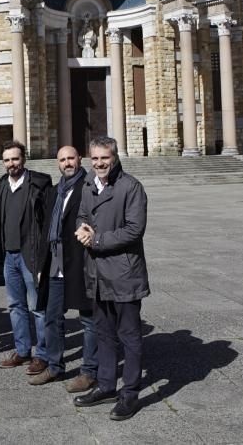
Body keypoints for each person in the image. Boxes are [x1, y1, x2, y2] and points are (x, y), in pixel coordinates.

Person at [74, 136, 150, 422]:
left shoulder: (131, 187)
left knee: (129, 337)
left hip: (124, 275)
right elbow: (82, 214)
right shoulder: (87, 185)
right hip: (96, 274)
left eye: (104, 158)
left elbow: (134, 230)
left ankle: (129, 394)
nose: (99, 163)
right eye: (94, 158)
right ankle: (106, 385)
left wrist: (97, 240)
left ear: (115, 157)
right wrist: (81, 228)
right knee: (103, 333)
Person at [30, 146, 98, 391]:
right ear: (57, 163)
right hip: (55, 262)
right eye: (62, 160)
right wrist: (41, 264)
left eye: (71, 158)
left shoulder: (88, 187)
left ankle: (90, 371)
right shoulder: (55, 191)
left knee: (88, 320)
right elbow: (46, 228)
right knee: (52, 316)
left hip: (80, 263)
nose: (67, 163)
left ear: (80, 159)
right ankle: (55, 366)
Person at [0, 140, 52, 375]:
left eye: (15, 158)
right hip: (9, 256)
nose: (11, 163)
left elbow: (47, 225)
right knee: (15, 306)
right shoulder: (1, 186)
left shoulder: (40, 184)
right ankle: (23, 351)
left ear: (23, 159)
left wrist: (45, 259)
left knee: (37, 307)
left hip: (30, 256)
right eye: (7, 160)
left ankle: (42, 355)